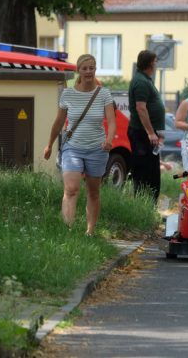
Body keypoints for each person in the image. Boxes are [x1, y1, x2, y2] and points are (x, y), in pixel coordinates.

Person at [43, 54, 116, 236]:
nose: (88, 72)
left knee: (93, 192)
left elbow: (111, 121)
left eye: (91, 68)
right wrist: (50, 144)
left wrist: (109, 140)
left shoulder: (104, 93)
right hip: (72, 147)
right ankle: (67, 231)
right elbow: (59, 122)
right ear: (78, 71)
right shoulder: (68, 94)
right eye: (85, 68)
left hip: (97, 149)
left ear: (95, 70)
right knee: (71, 188)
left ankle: (90, 231)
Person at [128, 50, 165, 204]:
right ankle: (143, 205)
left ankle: (149, 205)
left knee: (151, 171)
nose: (156, 64)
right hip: (142, 134)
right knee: (144, 172)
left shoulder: (145, 80)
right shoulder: (141, 82)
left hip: (147, 134)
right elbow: (141, 108)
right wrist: (150, 133)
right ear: (150, 63)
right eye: (155, 61)